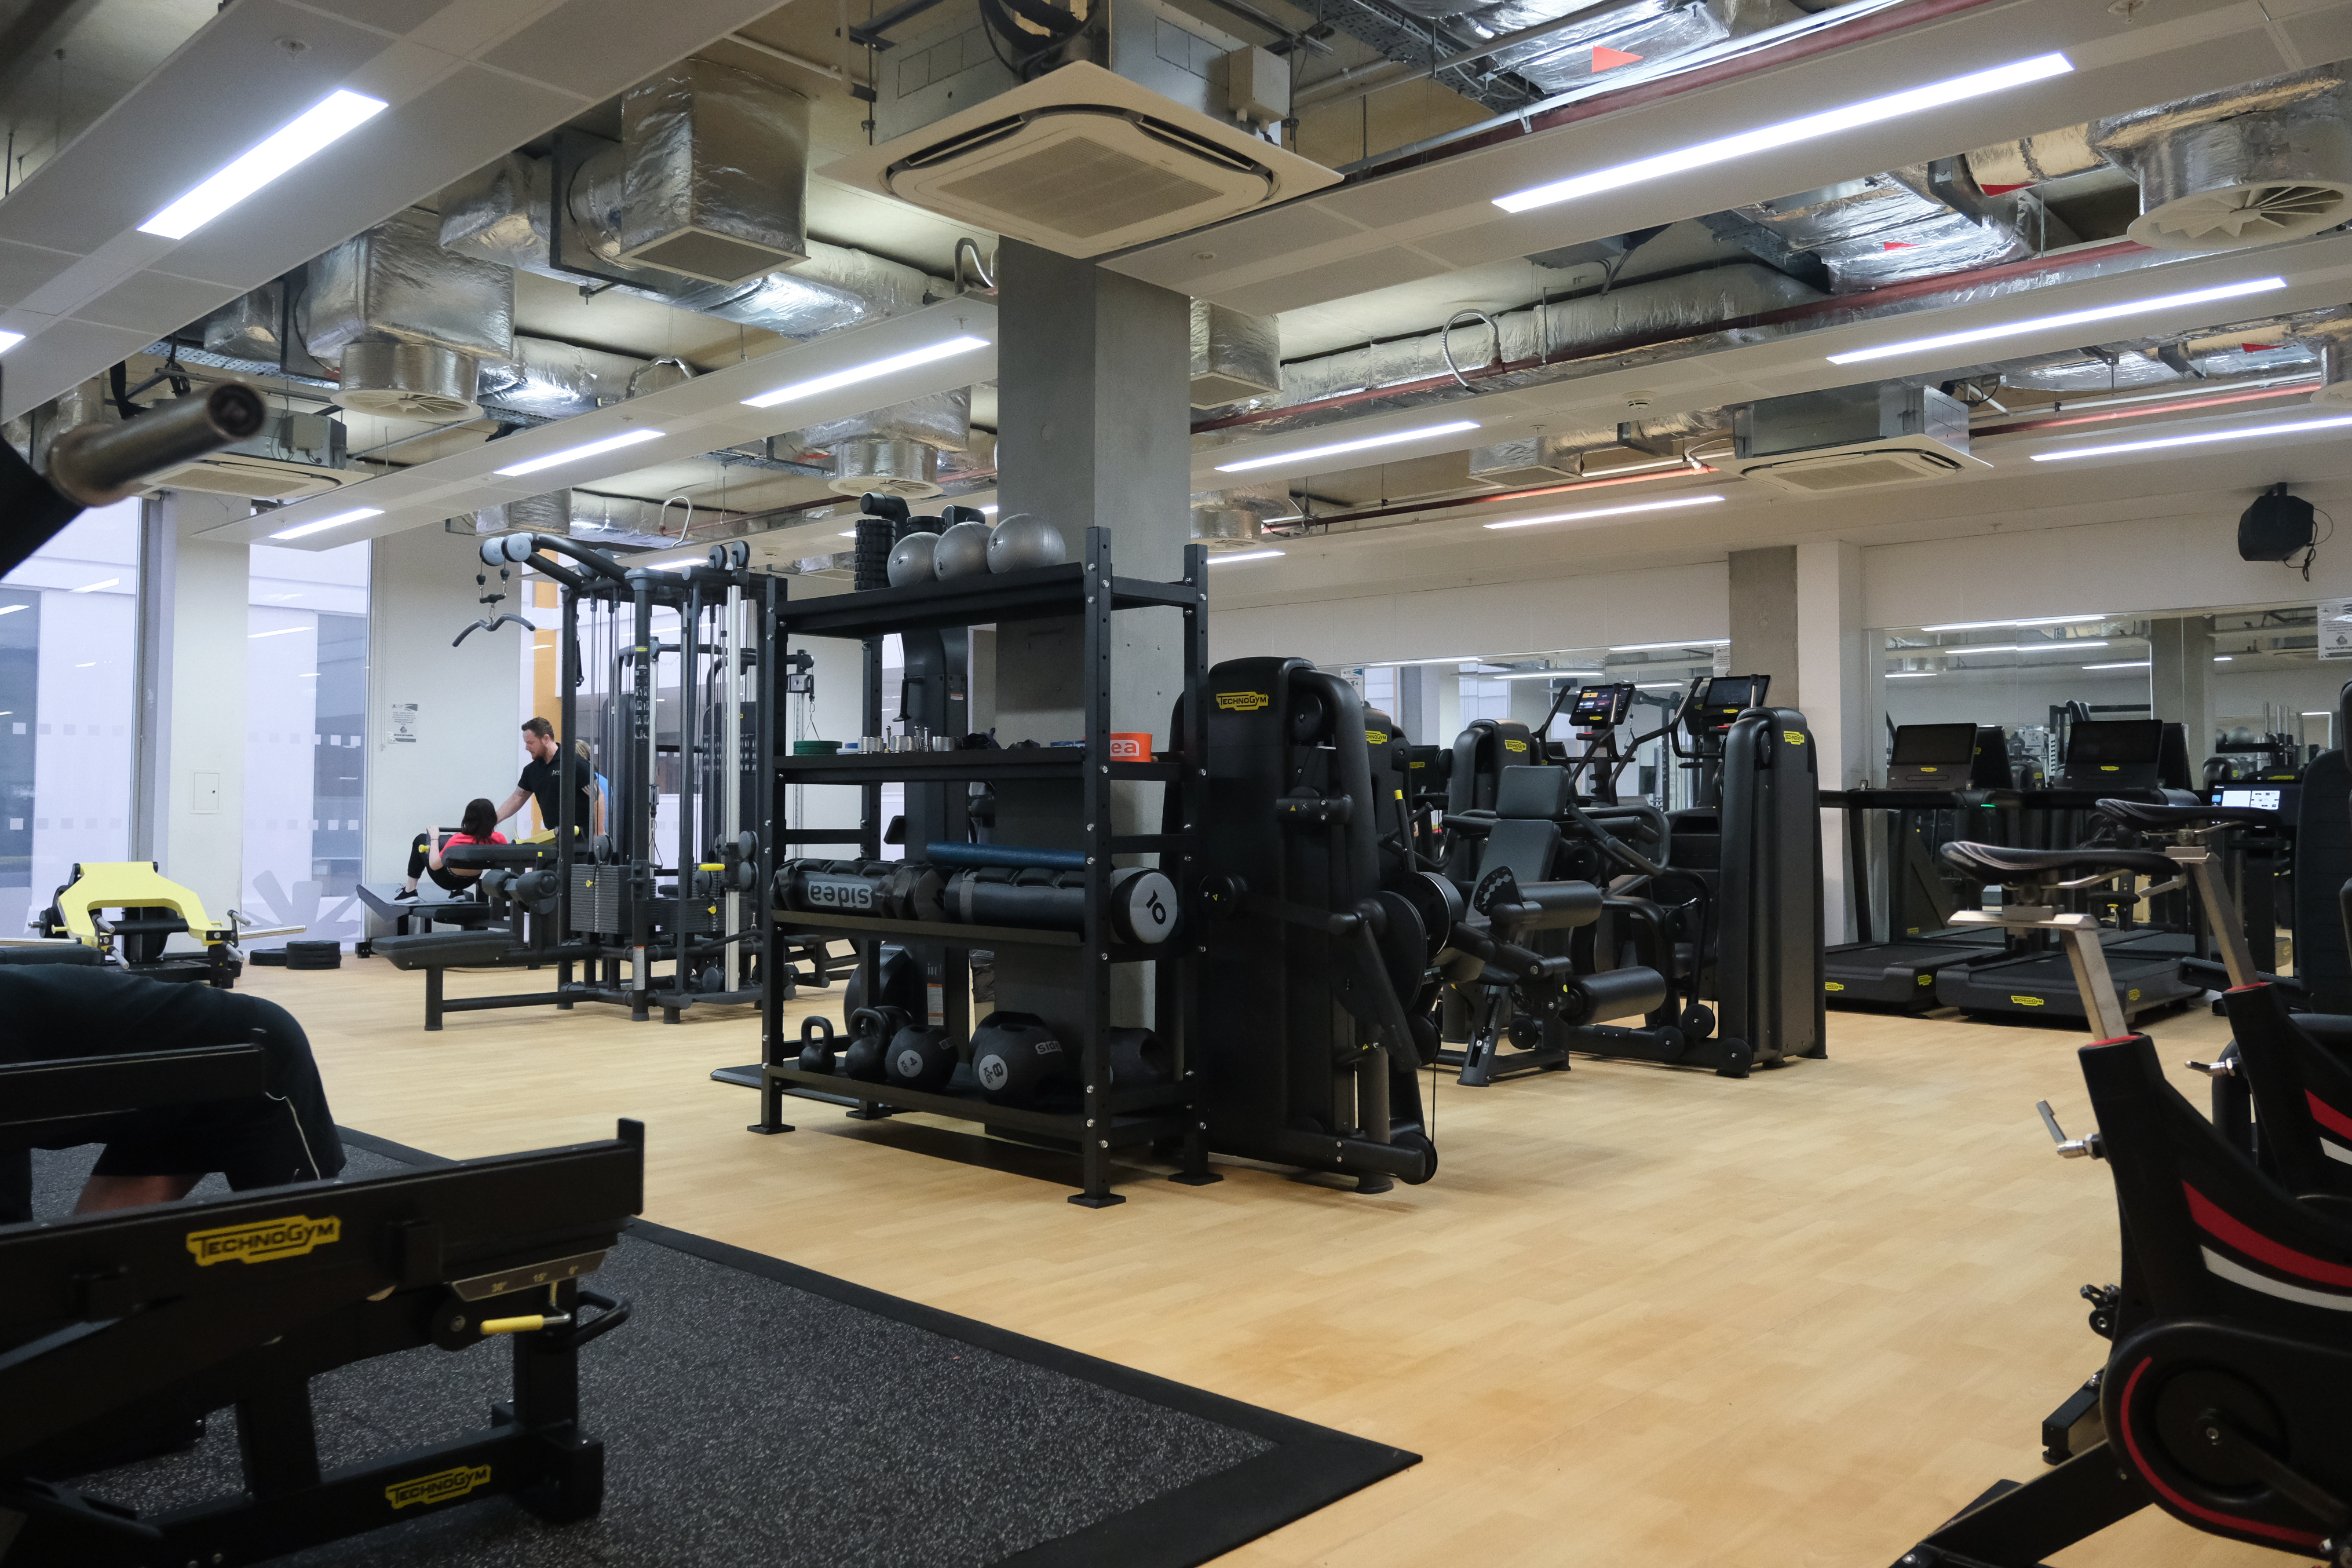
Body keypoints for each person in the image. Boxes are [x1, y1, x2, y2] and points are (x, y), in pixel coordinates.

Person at [0, 962, 345, 1215]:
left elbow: (11, 1222)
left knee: (314, 1247)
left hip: (254, 1060)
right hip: (159, 1099)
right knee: (87, 1253)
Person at [496, 717, 603, 840]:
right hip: (555, 836)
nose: (527, 748)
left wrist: (600, 833)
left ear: (546, 739)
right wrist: (493, 820)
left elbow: (598, 796)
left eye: (531, 743)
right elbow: (518, 797)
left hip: (582, 838)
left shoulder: (575, 764)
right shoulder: (532, 770)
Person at [395, 796, 507, 901]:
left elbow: (434, 865)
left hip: (446, 880)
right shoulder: (499, 839)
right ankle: (457, 892)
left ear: (467, 819)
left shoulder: (458, 840)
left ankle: (409, 891)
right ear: (493, 819)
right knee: (448, 840)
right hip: (471, 880)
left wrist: (434, 838)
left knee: (420, 839)